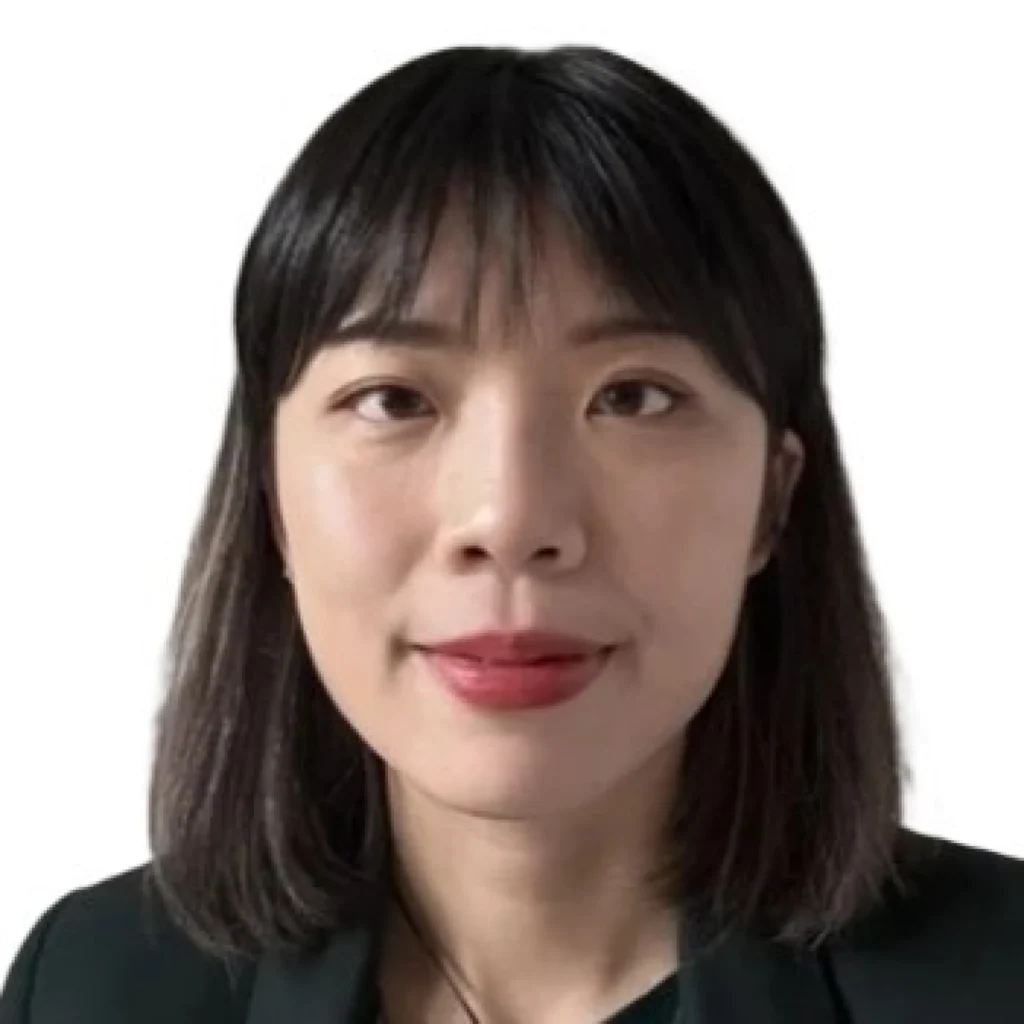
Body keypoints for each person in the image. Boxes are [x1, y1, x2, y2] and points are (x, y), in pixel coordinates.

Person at [2, 43, 1022, 1024]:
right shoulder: (92, 987)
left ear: (773, 498)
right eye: (395, 399)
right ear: (271, 495)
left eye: (632, 396)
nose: (510, 518)